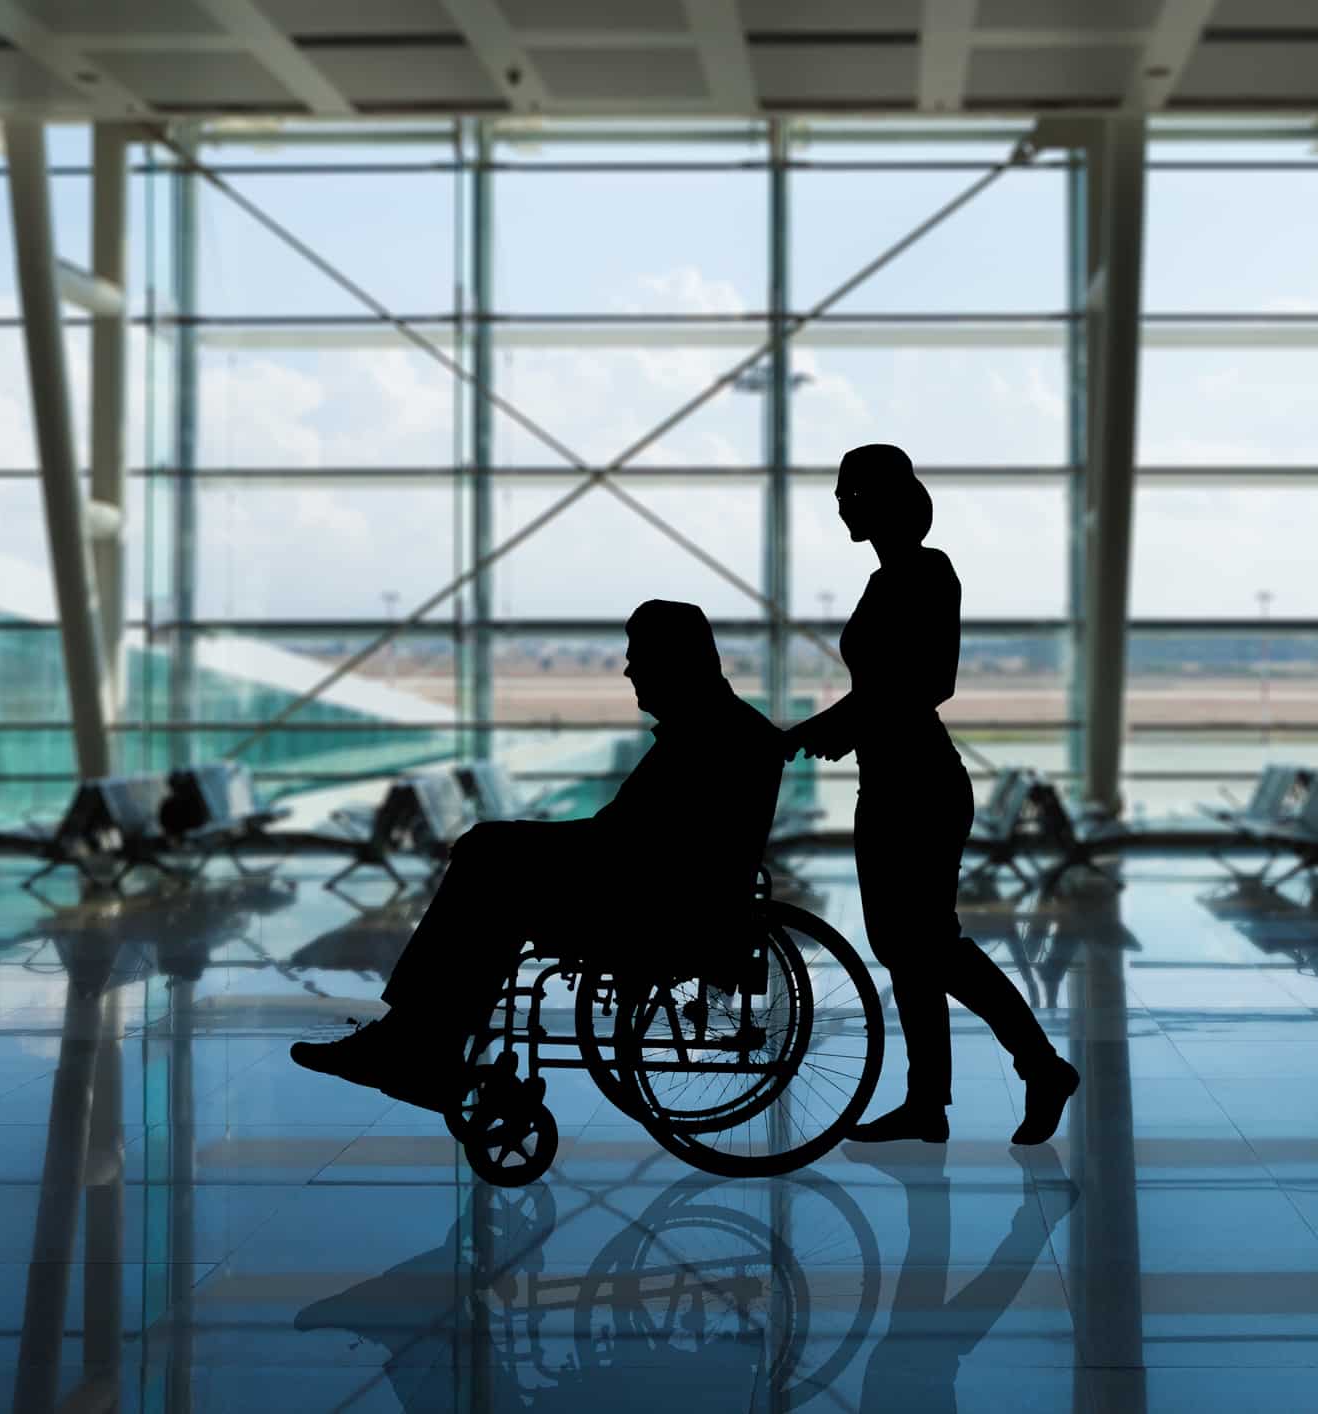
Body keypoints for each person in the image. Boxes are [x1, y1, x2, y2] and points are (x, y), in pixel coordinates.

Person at [292, 600, 784, 1107]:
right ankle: (419, 1042)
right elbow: (633, 841)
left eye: (637, 657)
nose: (629, 671)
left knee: (488, 873)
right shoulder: (725, 729)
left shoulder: (703, 737)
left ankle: (415, 1042)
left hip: (653, 913)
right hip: (669, 900)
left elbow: (619, 842)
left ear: (671, 661)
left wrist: (506, 838)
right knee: (494, 872)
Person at [783, 443, 1078, 1146]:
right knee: (907, 948)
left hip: (918, 786)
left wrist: (833, 726)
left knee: (929, 946)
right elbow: (883, 690)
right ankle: (928, 1101)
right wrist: (842, 727)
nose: (841, 506)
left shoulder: (925, 572)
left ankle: (1039, 1067)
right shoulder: (886, 578)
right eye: (839, 494)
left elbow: (925, 683)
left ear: (887, 500)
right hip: (890, 780)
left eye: (852, 493)